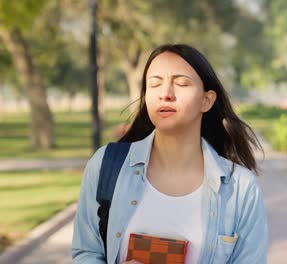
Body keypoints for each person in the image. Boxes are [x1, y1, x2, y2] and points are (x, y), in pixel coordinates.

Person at [71, 44, 269, 264]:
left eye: (181, 83)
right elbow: (86, 253)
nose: (165, 94)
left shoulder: (241, 188)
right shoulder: (106, 165)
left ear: (207, 100)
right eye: (154, 84)